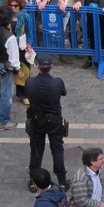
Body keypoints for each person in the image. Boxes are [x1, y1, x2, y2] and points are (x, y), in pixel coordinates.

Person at [25, 54, 68, 192]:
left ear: (37, 66)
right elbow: (63, 92)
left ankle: (34, 182)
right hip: (54, 120)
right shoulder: (57, 82)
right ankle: (62, 181)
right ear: (51, 67)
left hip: (37, 120)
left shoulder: (30, 82)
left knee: (36, 151)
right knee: (57, 150)